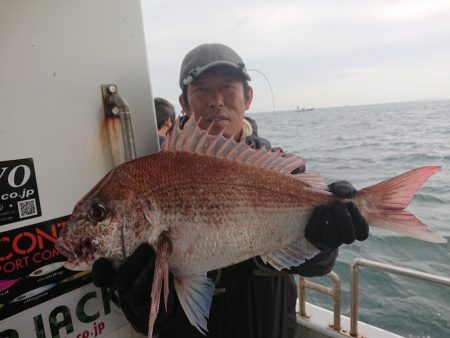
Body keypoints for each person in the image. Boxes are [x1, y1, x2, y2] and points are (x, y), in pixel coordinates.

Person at [92, 43, 369, 338]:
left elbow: (315, 267)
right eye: (202, 89)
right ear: (184, 102)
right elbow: (153, 323)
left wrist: (325, 242)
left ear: (248, 97)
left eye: (227, 87)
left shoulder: (284, 171)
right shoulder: (156, 176)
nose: (216, 101)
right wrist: (139, 298)